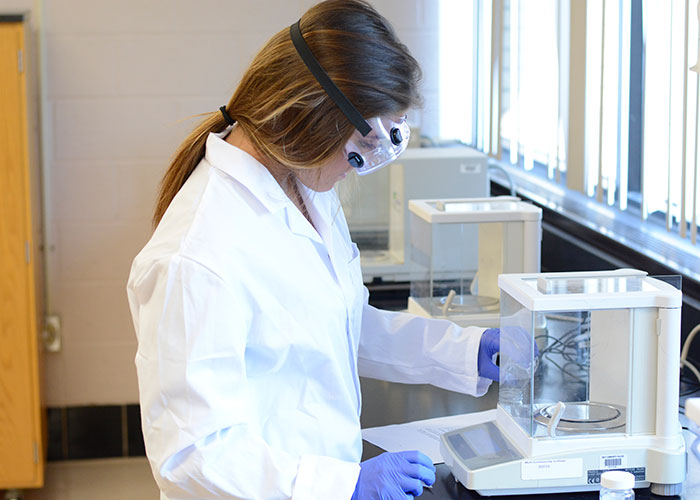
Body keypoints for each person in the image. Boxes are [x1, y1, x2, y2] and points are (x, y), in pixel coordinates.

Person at [126, 1, 501, 499]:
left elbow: (337, 324)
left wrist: (468, 351)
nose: (364, 165)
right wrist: (343, 486)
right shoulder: (195, 255)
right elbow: (192, 454)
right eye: (362, 147)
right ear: (314, 115)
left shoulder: (308, 193)